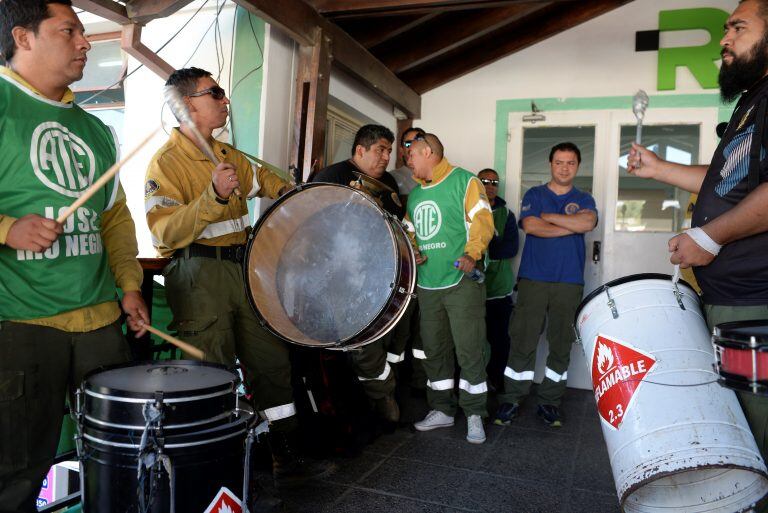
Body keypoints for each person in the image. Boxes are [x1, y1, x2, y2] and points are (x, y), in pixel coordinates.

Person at [145, 67, 329, 486]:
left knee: (270, 361)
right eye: (216, 93)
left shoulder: (229, 156)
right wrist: (213, 197)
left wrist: (287, 191)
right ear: (187, 105)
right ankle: (211, 465)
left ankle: (282, 449)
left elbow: (264, 181)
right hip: (198, 276)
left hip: (243, 270)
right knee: (210, 369)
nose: (225, 100)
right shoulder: (166, 163)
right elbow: (164, 232)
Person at [0, 1, 150, 511]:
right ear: (23, 38)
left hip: (99, 320)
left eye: (84, 33)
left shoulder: (96, 130)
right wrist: (7, 228)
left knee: (118, 458)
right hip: (19, 322)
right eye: (70, 31)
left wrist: (129, 285)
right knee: (17, 473)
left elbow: (114, 218)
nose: (85, 43)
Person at [627, 0, 768, 466]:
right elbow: (726, 181)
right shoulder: (753, 102)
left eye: (738, 28)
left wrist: (709, 238)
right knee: (734, 429)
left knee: (756, 440)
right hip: (731, 299)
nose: (724, 39)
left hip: (754, 304)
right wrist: (658, 169)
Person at [494, 142, 597, 428]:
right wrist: (569, 224)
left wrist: (550, 217)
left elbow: (587, 223)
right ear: (550, 164)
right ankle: (512, 399)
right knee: (523, 340)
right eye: (559, 162)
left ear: (577, 166)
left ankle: (550, 402)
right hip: (533, 279)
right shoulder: (535, 194)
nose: (564, 167)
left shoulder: (584, 198)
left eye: (570, 163)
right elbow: (531, 226)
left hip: (569, 281)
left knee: (561, 344)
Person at [310, 124, 406, 423]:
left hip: (378, 273)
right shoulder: (330, 177)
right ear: (360, 150)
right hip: (335, 276)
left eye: (389, 151)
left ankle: (378, 399)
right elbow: (311, 226)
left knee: (382, 337)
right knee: (358, 342)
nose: (386, 157)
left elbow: (397, 225)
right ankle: (373, 402)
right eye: (380, 150)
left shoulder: (388, 182)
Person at [404, 133, 494, 444]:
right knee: (434, 350)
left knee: (470, 349)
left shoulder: (465, 181)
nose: (408, 160)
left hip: (460, 283)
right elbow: (409, 233)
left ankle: (474, 413)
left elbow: (482, 220)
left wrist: (472, 253)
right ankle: (441, 409)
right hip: (428, 284)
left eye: (412, 154)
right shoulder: (415, 196)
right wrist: (412, 251)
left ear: (427, 152)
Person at [477, 168, 519, 391]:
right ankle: (473, 384)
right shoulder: (467, 209)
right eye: (484, 181)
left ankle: (497, 381)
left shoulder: (507, 214)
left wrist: (484, 243)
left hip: (499, 289)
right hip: (472, 287)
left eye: (494, 182)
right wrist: (494, 239)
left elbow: (510, 248)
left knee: (499, 340)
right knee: (472, 341)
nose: (490, 185)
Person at [390, 126, 425, 207]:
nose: (413, 147)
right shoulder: (391, 177)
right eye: (408, 143)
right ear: (401, 150)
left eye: (419, 142)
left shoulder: (439, 176)